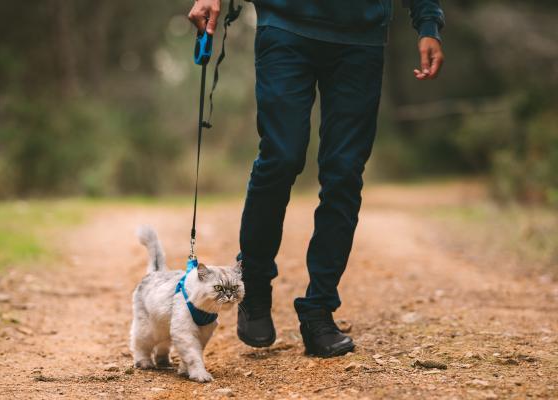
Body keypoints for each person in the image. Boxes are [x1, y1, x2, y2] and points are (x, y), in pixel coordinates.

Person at [188, 0, 444, 357]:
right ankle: (256, 284)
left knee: (344, 173)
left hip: (361, 38)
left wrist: (428, 22)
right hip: (286, 24)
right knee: (281, 157)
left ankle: (319, 310)